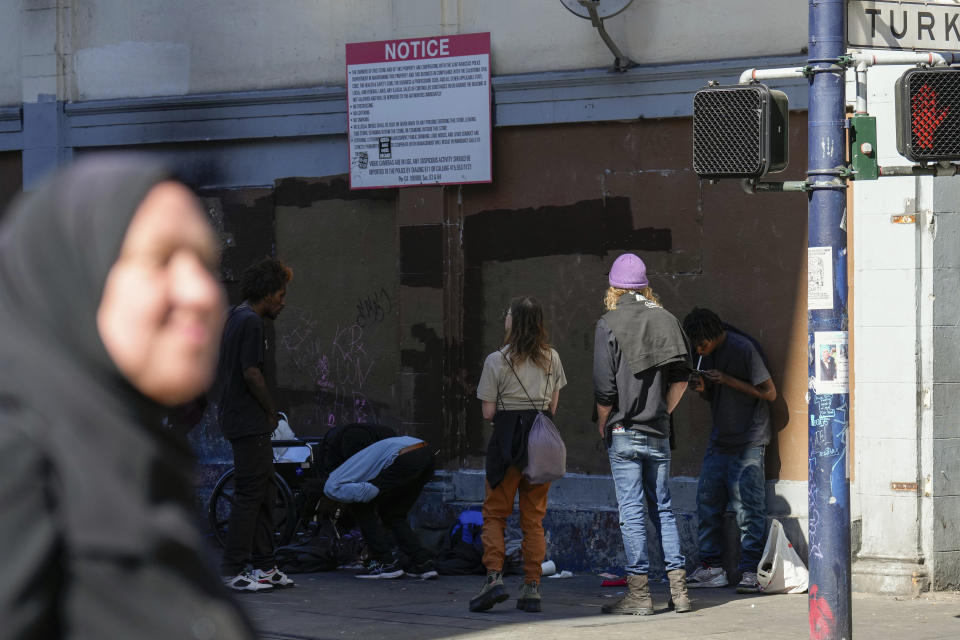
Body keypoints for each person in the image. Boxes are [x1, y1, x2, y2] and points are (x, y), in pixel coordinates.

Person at [0, 156, 254, 638]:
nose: (200, 292)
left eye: (205, 263)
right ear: (72, 280)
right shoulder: (17, 463)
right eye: (160, 259)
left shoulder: (131, 460)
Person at [593, 253, 692, 615]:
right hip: (659, 431)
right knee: (663, 508)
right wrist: (663, 410)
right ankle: (680, 592)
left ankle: (639, 595)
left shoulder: (609, 322)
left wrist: (604, 421)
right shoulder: (668, 319)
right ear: (645, 285)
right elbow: (683, 376)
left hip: (624, 430)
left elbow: (604, 388)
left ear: (615, 288)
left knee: (632, 511)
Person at [470, 296, 567, 613]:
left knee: (495, 513)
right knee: (533, 519)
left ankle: (494, 578)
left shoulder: (496, 361)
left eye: (508, 314)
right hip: (539, 443)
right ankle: (532, 587)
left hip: (507, 442)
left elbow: (487, 413)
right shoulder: (552, 358)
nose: (505, 318)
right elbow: (552, 407)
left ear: (515, 322)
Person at [213, 257, 296, 591]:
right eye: (280, 294)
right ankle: (233, 569)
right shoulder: (251, 323)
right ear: (266, 293)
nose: (283, 301)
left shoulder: (234, 316)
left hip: (241, 420)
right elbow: (251, 372)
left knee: (264, 491)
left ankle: (265, 566)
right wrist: (271, 410)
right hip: (248, 422)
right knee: (251, 494)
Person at [682, 307, 777, 594]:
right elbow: (715, 395)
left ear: (716, 334)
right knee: (707, 500)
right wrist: (703, 389)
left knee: (749, 509)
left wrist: (727, 379)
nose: (700, 349)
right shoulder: (704, 353)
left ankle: (750, 570)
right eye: (696, 345)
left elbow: (769, 393)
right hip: (720, 437)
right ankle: (711, 568)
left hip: (749, 439)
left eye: (703, 344)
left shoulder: (742, 348)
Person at [322, 428, 438, 580]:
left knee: (361, 507)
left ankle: (386, 562)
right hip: (426, 453)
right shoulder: (358, 465)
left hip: (406, 456)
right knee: (393, 514)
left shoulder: (334, 482)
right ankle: (422, 563)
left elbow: (364, 493)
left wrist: (354, 500)